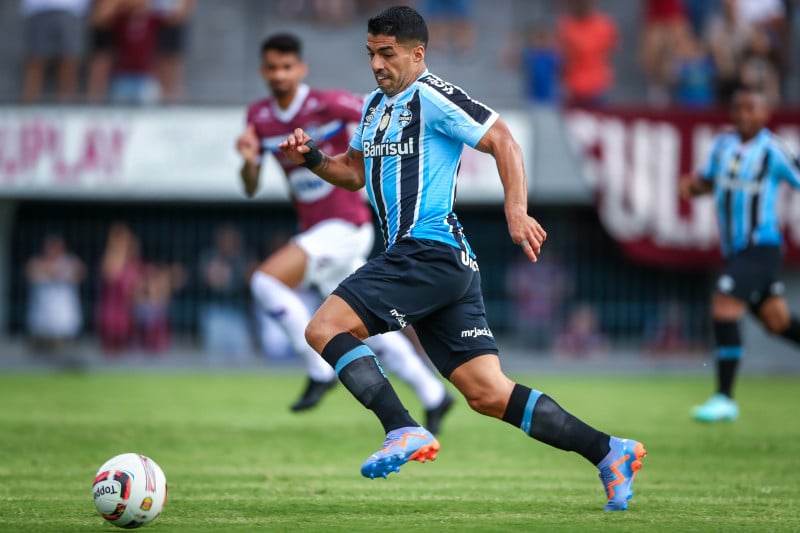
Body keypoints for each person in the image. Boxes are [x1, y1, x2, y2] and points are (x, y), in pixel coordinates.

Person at [278, 6, 645, 511]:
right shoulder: (372, 107)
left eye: (388, 54)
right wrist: (314, 158)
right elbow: (353, 173)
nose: (378, 65)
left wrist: (516, 211)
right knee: (488, 393)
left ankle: (402, 428)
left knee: (323, 328)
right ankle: (609, 451)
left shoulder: (432, 96)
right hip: (440, 265)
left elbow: (502, 140)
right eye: (371, 55)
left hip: (426, 251)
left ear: (417, 54)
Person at [236, 33, 454, 433]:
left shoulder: (329, 103)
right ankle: (433, 393)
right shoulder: (258, 118)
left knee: (265, 282)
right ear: (262, 71)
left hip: (345, 224)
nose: (280, 75)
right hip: (315, 231)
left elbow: (384, 111)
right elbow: (250, 186)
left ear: (301, 69)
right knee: (365, 327)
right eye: (272, 68)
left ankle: (319, 367)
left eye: (287, 67)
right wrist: (249, 161)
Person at [679, 86, 800, 422]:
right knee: (777, 322)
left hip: (761, 247)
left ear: (765, 114)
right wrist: (692, 187)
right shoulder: (723, 145)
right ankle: (723, 398)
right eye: (739, 108)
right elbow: (707, 182)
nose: (744, 114)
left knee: (723, 303)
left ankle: (724, 398)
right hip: (736, 251)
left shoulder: (774, 150)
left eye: (752, 108)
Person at [25, 234, 85, 353]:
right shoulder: (37, 262)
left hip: (64, 321)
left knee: (62, 354)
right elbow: (31, 271)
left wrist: (57, 271)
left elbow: (80, 272)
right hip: (42, 320)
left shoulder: (70, 262)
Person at [20, 0, 90, 103]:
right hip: (38, 8)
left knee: (69, 61)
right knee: (36, 61)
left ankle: (67, 111)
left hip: (72, 9)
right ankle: (26, 111)